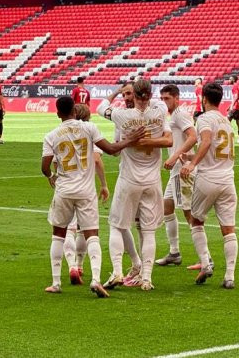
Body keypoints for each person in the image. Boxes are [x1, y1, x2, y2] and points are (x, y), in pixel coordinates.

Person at [41, 96, 144, 297]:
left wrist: (51, 176)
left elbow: (44, 167)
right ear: (74, 110)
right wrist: (131, 139)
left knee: (58, 234)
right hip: (86, 191)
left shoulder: (51, 136)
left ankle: (56, 283)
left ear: (58, 113)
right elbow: (111, 149)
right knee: (92, 234)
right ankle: (96, 280)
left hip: (64, 190)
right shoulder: (88, 128)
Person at [97, 79, 173, 291]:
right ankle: (146, 278)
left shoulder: (123, 115)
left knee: (117, 225)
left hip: (129, 179)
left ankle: (118, 271)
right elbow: (168, 136)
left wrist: (116, 92)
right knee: (149, 231)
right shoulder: (159, 110)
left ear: (134, 95)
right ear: (149, 94)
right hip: (152, 180)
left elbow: (101, 107)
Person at [180, 83, 238, 290]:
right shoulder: (227, 121)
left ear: (204, 99)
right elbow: (212, 148)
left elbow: (205, 142)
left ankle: (205, 264)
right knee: (229, 229)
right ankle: (230, 276)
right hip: (228, 180)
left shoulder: (204, 118)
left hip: (208, 179)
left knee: (196, 221)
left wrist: (192, 163)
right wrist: (190, 156)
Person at [62, 104, 111, 285]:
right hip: (85, 188)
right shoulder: (90, 133)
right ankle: (81, 265)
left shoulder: (61, 133)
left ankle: (72, 265)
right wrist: (104, 185)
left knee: (68, 229)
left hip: (66, 187)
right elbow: (97, 160)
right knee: (86, 229)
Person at [155, 84, 200, 266]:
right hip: (176, 171)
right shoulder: (173, 116)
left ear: (176, 98)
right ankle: (174, 253)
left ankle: (205, 259)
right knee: (167, 208)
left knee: (189, 214)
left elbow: (193, 136)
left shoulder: (180, 114)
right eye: (162, 99)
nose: (165, 102)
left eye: (167, 98)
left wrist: (174, 156)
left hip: (182, 170)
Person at [227, 76, 239, 144]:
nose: (229, 80)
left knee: (227, 121)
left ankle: (228, 137)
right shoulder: (236, 86)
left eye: (230, 79)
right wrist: (230, 106)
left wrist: (232, 105)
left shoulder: (234, 86)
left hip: (236, 106)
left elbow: (236, 96)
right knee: (238, 122)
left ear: (233, 80)